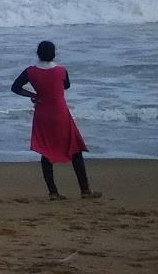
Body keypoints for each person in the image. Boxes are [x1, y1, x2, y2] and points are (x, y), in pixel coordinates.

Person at [12, 40, 102, 201]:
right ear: (54, 54)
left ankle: (53, 192)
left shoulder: (30, 71)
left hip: (42, 114)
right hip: (60, 113)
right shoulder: (61, 71)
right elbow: (66, 86)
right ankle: (85, 190)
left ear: (38, 54)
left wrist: (33, 95)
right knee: (75, 149)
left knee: (46, 151)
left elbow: (15, 87)